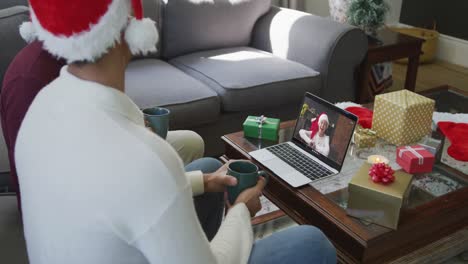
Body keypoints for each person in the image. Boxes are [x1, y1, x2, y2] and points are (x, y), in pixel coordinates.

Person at [14, 0, 337, 263]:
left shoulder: (40, 107)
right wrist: (240, 213)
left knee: (210, 169)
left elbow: (108, 196)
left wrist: (202, 182)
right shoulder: (145, 160)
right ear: (128, 25)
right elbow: (134, 184)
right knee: (312, 243)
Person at [0, 41, 205, 215]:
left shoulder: (77, 53)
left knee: (191, 142)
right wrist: (201, 181)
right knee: (208, 171)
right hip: (68, 200)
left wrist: (131, 124)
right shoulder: (29, 82)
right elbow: (52, 181)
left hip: (96, 155)